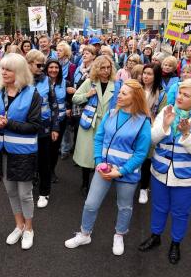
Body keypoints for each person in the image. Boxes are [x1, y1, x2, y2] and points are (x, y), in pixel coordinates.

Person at [65, 79, 151, 256]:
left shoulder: (144, 122)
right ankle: (84, 233)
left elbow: (141, 154)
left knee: (124, 206)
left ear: (135, 98)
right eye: (120, 92)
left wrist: (120, 171)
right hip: (103, 170)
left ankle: (119, 234)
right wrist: (98, 161)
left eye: (124, 93)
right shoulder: (111, 114)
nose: (119, 95)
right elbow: (99, 138)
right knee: (90, 203)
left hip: (126, 173)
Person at [139, 78, 191, 265]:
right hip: (160, 173)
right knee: (158, 207)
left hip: (187, 180)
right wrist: (164, 126)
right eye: (180, 92)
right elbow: (151, 141)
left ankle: (175, 243)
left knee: (180, 213)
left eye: (186, 95)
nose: (179, 97)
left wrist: (188, 135)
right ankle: (155, 237)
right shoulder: (167, 110)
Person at [0, 53, 42, 250]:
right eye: (2, 68)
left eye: (8, 69)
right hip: (2, 150)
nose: (3, 72)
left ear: (19, 72)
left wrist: (8, 123)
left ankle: (29, 228)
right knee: (10, 191)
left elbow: (35, 126)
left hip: (24, 152)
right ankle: (19, 225)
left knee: (25, 193)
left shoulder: (33, 94)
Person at [72, 55, 118, 198]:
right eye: (102, 68)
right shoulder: (89, 82)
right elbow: (75, 98)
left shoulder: (117, 85)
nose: (105, 71)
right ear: (97, 69)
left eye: (108, 68)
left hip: (108, 124)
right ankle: (85, 183)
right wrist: (87, 94)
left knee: (104, 155)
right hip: (90, 124)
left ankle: (101, 184)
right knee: (87, 155)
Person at [26, 49, 59, 208]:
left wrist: (55, 127)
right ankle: (29, 185)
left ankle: (44, 192)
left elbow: (54, 105)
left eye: (43, 65)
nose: (42, 68)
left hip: (44, 130)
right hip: (25, 129)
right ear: (29, 64)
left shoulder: (47, 81)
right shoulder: (21, 80)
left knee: (44, 163)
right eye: (39, 65)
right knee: (28, 160)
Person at [138, 63, 166, 204]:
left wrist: (149, 116)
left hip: (149, 129)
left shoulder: (161, 95)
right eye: (144, 73)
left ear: (156, 76)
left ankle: (144, 187)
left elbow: (161, 116)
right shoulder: (136, 88)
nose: (146, 76)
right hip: (133, 126)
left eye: (150, 74)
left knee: (147, 159)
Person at [45, 59, 67, 183]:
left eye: (56, 67)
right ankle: (39, 171)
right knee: (43, 148)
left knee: (54, 148)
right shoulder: (41, 82)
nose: (53, 70)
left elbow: (69, 99)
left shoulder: (65, 83)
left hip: (60, 121)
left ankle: (51, 171)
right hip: (44, 121)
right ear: (46, 68)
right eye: (51, 67)